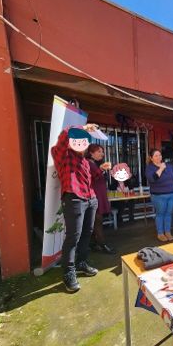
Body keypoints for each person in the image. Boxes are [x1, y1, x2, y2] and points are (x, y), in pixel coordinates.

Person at [51, 125, 99, 292]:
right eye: (79, 141)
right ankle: (68, 273)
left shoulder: (85, 161)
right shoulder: (62, 154)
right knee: (73, 237)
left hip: (90, 199)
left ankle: (82, 263)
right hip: (73, 199)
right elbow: (64, 136)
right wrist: (83, 128)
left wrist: (93, 198)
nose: (82, 145)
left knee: (87, 233)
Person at [145, 148, 173, 242]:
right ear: (151, 158)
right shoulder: (150, 168)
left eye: (159, 155)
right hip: (158, 196)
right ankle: (160, 233)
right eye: (156, 155)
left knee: (168, 214)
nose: (158, 157)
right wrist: (160, 168)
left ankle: (168, 232)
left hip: (172, 194)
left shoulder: (168, 166)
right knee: (160, 214)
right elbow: (153, 179)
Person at [87, 144, 115, 254]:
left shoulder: (94, 163)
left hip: (99, 194)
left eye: (102, 151)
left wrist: (103, 169)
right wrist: (101, 169)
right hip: (94, 195)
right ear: (91, 153)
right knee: (97, 221)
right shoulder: (88, 163)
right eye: (99, 151)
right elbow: (91, 177)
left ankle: (95, 244)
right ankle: (102, 245)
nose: (102, 154)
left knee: (96, 221)